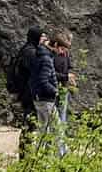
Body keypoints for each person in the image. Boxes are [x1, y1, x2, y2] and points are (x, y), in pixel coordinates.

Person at [13, 27, 65, 157]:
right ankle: (27, 157)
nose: (44, 41)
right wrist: (54, 90)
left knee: (38, 127)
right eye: (42, 38)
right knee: (34, 126)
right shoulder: (32, 53)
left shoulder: (35, 52)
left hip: (32, 92)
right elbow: (40, 76)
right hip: (32, 93)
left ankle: (31, 157)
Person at [50, 33, 76, 129]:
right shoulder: (51, 55)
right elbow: (51, 73)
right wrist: (66, 77)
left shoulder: (66, 53)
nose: (63, 51)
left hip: (64, 88)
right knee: (54, 117)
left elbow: (68, 67)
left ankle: (61, 141)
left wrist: (71, 79)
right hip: (53, 87)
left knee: (62, 115)